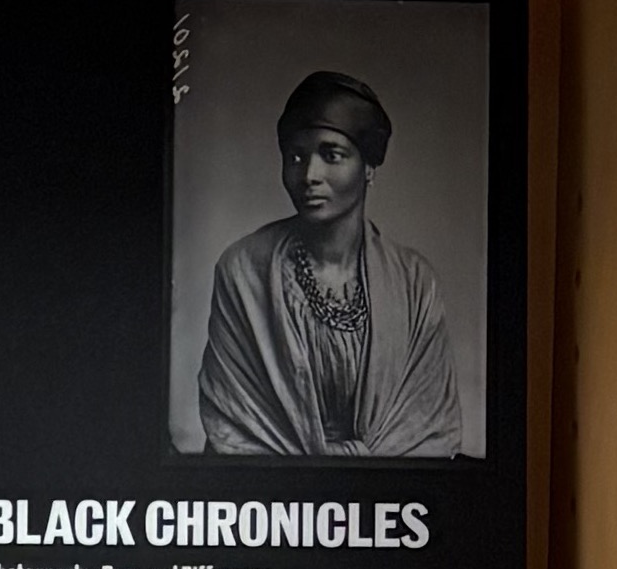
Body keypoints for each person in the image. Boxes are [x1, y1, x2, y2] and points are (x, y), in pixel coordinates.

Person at [195, 67, 463, 459]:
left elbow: (428, 426)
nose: (309, 175)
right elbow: (235, 422)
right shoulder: (244, 270)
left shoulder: (414, 281)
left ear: (368, 167)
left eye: (331, 155)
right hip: (274, 502)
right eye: (296, 157)